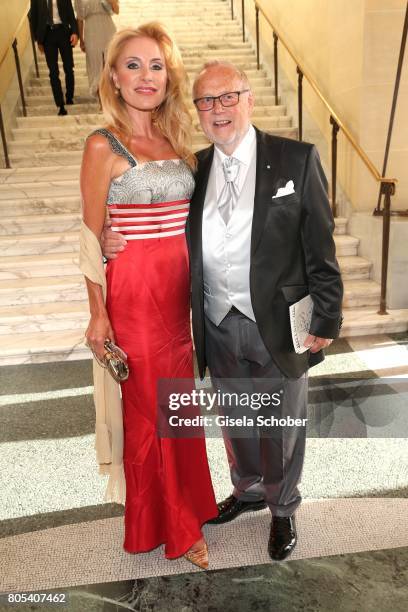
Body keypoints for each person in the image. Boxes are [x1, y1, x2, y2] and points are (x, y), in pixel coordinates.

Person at [102, 60, 344, 562]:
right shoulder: (195, 169)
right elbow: (160, 223)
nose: (218, 110)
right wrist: (109, 236)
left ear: (249, 99)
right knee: (237, 417)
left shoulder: (295, 159)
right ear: (197, 111)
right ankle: (249, 488)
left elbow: (320, 245)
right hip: (216, 320)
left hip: (278, 320)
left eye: (227, 97)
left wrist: (326, 317)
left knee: (280, 424)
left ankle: (282, 508)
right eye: (206, 101)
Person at [80, 23, 217, 570]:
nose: (145, 76)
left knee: (178, 408)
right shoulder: (101, 144)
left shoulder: (178, 140)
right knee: (149, 413)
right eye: (132, 65)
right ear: (113, 75)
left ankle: (188, 505)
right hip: (135, 298)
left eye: (155, 65)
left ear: (169, 76)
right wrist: (97, 315)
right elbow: (91, 237)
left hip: (179, 297)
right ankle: (176, 530)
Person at [29, 0, 79, 115]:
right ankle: (60, 104)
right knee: (53, 71)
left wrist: (75, 32)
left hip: (63, 32)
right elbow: (34, 18)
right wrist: (38, 40)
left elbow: (71, 13)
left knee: (68, 67)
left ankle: (69, 97)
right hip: (47, 36)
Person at [75, 0, 118, 98]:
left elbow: (116, 10)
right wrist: (81, 40)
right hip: (91, 30)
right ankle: (101, 99)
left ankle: (111, 97)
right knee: (95, 65)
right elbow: (80, 19)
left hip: (108, 28)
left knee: (109, 62)